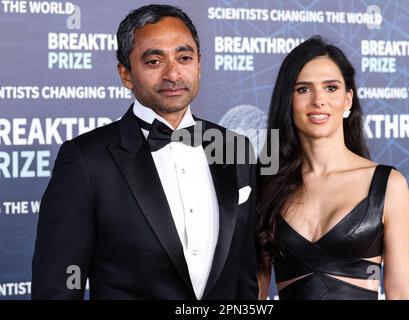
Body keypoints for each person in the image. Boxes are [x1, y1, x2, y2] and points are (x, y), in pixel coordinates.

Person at [32, 4, 258, 299]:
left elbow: (244, 277)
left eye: (185, 57)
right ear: (126, 74)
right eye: (154, 61)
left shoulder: (235, 148)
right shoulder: (86, 161)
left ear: (199, 63)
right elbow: (57, 288)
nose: (173, 74)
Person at [256, 36, 409, 300]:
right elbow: (256, 293)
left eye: (331, 88)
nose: (319, 100)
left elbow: (400, 292)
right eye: (303, 89)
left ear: (348, 100)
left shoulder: (388, 185)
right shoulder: (267, 184)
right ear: (288, 100)